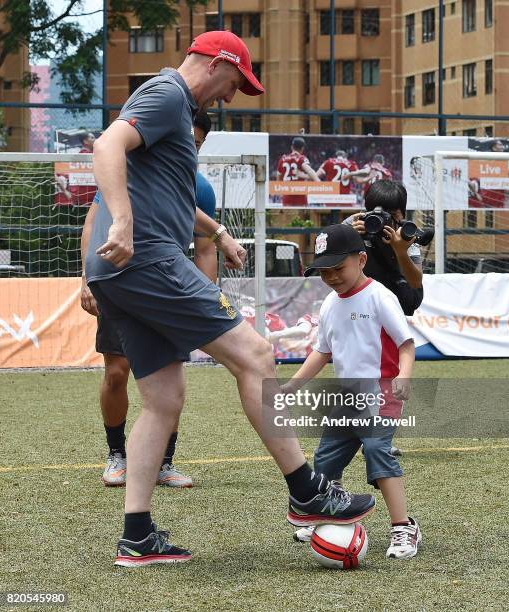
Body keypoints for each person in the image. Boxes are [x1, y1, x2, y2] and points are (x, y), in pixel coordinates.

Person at [84, 30, 375, 567]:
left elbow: (164, 189)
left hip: (119, 273)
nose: (233, 96)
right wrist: (123, 220)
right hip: (148, 258)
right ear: (219, 62)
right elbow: (105, 147)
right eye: (237, 82)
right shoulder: (169, 93)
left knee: (164, 400)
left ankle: (137, 534)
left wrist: (216, 231)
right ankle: (308, 492)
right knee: (257, 356)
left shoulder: (168, 107)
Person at [80, 113, 217, 488]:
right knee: (116, 372)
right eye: (186, 139)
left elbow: (205, 251)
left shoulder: (200, 189)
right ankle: (116, 455)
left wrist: (201, 303)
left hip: (168, 291)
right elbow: (93, 225)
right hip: (119, 283)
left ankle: (164, 462)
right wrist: (87, 279)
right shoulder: (130, 173)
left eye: (197, 144)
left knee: (171, 381)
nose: (190, 148)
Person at [287, 224, 421, 559]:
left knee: (378, 452)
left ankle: (403, 528)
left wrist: (404, 376)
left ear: (361, 260)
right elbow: (322, 352)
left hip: (382, 393)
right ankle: (331, 511)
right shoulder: (330, 304)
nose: (331, 277)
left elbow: (406, 344)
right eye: (324, 271)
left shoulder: (379, 296)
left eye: (338, 268)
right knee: (326, 457)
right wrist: (291, 385)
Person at [344, 180, 424, 317]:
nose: (385, 220)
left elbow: (415, 282)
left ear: (403, 215)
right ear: (366, 211)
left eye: (392, 215)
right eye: (378, 214)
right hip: (362, 306)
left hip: (400, 305)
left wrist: (401, 251)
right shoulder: (354, 224)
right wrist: (348, 237)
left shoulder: (406, 233)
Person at [276, 136, 320, 206]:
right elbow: (311, 172)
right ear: (302, 148)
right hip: (300, 195)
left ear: (292, 147)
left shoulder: (283, 159)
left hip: (287, 195)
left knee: (288, 216)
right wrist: (317, 181)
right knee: (302, 217)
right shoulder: (301, 158)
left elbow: (278, 178)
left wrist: (281, 192)